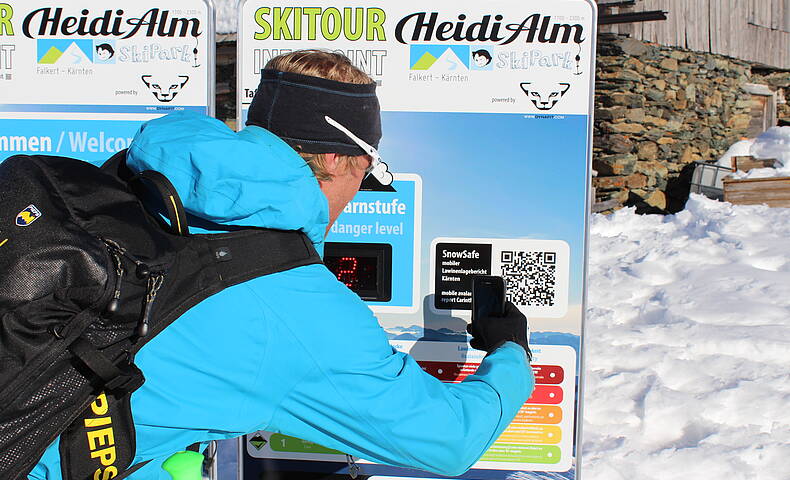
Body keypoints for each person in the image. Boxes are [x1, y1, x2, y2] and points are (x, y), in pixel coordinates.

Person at [28, 50, 534, 480]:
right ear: (338, 160)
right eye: (365, 174)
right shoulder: (293, 305)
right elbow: (447, 441)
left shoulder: (136, 178)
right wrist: (511, 350)